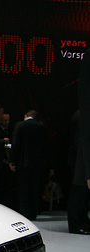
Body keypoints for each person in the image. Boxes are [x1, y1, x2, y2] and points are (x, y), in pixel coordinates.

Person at [8, 110, 48, 221]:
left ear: (26, 116)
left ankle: (25, 213)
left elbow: (16, 145)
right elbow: (46, 148)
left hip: (23, 163)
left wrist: (12, 161)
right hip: (37, 164)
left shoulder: (20, 125)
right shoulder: (42, 127)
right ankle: (33, 213)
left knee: (23, 190)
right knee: (34, 189)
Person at [67, 50, 90, 234]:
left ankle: (80, 222)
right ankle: (77, 223)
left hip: (80, 158)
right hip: (81, 158)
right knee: (80, 192)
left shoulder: (79, 114)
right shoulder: (81, 115)